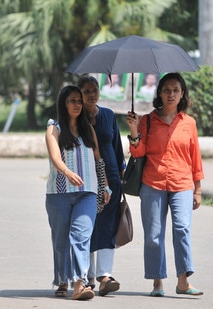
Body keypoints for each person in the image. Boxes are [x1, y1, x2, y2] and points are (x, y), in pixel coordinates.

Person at [125, 72, 204, 297]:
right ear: (159, 92)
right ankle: (157, 282)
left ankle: (183, 282)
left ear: (182, 94)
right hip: (153, 183)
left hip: (182, 184)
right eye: (167, 90)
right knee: (153, 235)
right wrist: (133, 129)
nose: (171, 94)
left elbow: (195, 157)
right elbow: (138, 152)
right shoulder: (148, 120)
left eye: (175, 90)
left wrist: (197, 189)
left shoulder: (189, 123)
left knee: (182, 229)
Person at [45, 85, 112, 300]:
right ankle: (63, 280)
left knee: (81, 236)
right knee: (61, 240)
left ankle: (79, 284)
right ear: (63, 104)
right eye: (72, 101)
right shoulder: (54, 127)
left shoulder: (88, 130)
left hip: (87, 192)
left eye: (79, 101)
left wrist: (105, 186)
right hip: (59, 192)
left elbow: (98, 160)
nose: (77, 104)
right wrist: (67, 172)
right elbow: (55, 155)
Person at [77, 75, 126, 297]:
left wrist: (123, 171)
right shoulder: (75, 117)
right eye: (86, 91)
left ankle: (104, 276)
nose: (91, 94)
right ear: (79, 94)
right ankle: (86, 276)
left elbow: (116, 146)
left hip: (112, 177)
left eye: (94, 90)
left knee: (107, 226)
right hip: (85, 177)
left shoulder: (108, 115)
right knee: (87, 225)